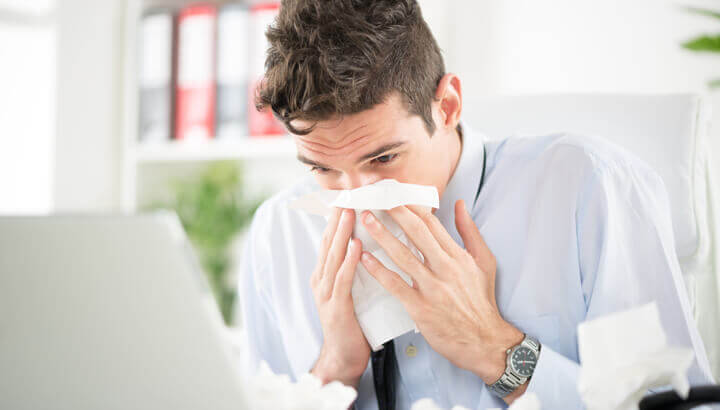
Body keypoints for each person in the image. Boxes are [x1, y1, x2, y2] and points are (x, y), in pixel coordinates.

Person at [238, 0, 715, 408]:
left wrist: (496, 350)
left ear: (447, 106)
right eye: (322, 169)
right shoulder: (279, 235)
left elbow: (678, 404)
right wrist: (334, 370)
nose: (359, 201)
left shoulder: (589, 190)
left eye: (383, 158)